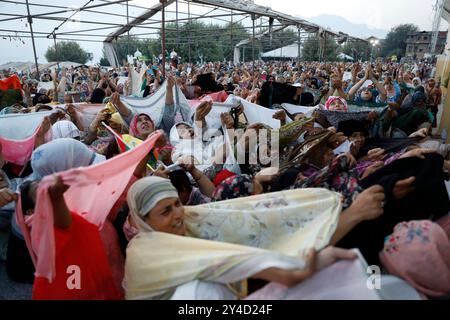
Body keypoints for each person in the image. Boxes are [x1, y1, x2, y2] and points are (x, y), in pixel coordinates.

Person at [124, 176, 369, 300]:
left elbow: (252, 214)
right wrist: (288, 270)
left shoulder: (193, 218)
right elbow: (221, 263)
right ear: (144, 220)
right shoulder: (145, 255)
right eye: (165, 211)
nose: (179, 214)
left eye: (177, 203)